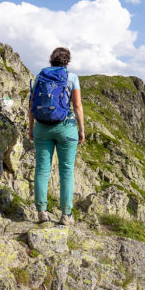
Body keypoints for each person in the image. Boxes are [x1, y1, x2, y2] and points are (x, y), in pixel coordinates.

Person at [28, 47, 85, 225]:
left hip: (42, 128)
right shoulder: (72, 77)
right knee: (66, 171)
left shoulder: (40, 76)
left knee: (42, 170)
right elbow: (77, 105)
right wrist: (81, 129)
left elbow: (31, 104)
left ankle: (42, 213)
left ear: (51, 60)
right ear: (67, 62)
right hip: (66, 128)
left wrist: (31, 128)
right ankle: (66, 215)